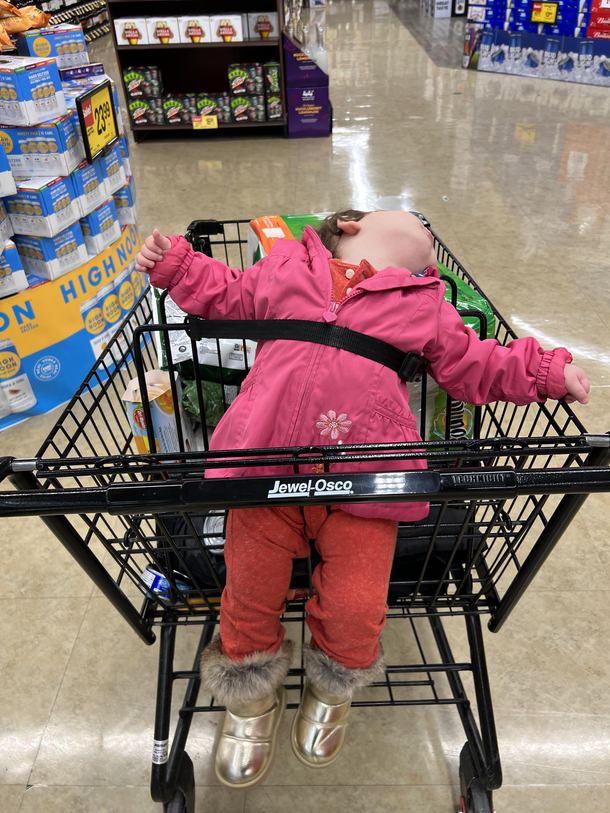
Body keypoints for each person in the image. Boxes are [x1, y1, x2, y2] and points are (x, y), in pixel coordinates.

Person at [136, 209, 590, 789]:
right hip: (263, 475)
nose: (429, 234)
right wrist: (176, 265)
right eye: (417, 226)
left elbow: (473, 363)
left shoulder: (427, 302)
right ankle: (249, 699)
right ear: (349, 225)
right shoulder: (285, 268)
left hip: (367, 483)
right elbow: (226, 294)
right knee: (247, 592)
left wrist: (545, 372)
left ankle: (332, 691)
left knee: (356, 604)